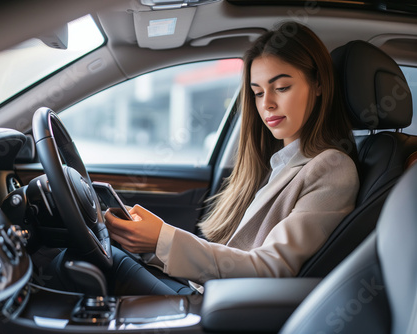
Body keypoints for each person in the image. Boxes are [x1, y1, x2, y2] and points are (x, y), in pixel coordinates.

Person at [104, 21, 359, 295]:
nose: (266, 104)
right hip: (211, 291)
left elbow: (272, 268)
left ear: (318, 84)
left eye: (282, 87)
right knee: (109, 261)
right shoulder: (276, 163)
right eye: (258, 92)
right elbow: (231, 253)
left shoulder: (332, 168)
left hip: (229, 306)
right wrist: (152, 243)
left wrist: (162, 239)